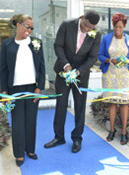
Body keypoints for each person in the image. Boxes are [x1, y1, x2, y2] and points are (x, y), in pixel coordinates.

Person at [44, 10, 101, 153]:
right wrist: (66, 65)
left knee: (80, 108)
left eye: (90, 28)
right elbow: (58, 45)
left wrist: (78, 71)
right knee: (61, 105)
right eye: (86, 25)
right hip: (63, 72)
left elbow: (93, 57)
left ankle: (77, 138)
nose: (87, 29)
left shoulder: (97, 34)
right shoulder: (67, 24)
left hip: (81, 76)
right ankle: (58, 137)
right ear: (82, 18)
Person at [0, 14, 45, 166]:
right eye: (27, 26)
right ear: (18, 25)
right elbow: (4, 70)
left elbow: (41, 67)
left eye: (31, 27)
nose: (29, 30)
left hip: (32, 88)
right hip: (15, 90)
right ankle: (19, 153)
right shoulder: (7, 45)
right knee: (18, 123)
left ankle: (30, 149)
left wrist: (39, 88)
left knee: (31, 121)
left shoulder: (37, 43)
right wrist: (4, 92)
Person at [98, 12, 129, 145]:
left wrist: (128, 62)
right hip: (110, 75)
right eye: (115, 27)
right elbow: (100, 56)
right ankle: (112, 130)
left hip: (125, 76)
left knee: (124, 103)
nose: (117, 30)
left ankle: (124, 132)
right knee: (112, 103)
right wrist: (110, 60)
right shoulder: (106, 38)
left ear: (124, 26)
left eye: (120, 27)